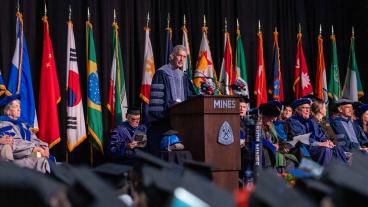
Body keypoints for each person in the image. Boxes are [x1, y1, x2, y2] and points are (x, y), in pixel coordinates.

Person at [148, 45, 196, 156]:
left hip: (180, 124)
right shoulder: (162, 73)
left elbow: (192, 98)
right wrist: (166, 113)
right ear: (172, 56)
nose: (181, 59)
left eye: (184, 57)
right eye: (179, 55)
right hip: (163, 124)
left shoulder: (184, 77)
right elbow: (156, 103)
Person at [287, 98, 347, 166]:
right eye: (304, 108)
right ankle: (325, 174)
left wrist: (327, 142)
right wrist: (320, 144)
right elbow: (300, 139)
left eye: (309, 108)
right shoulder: (293, 121)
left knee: (336, 148)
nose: (307, 110)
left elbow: (319, 134)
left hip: (312, 146)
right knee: (325, 150)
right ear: (296, 110)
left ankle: (344, 171)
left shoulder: (310, 120)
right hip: (301, 149)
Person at [0, 95, 50, 173]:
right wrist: (33, 148)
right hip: (16, 157)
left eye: (19, 107)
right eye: (16, 106)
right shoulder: (4, 124)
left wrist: (43, 147)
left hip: (28, 154)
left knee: (43, 157)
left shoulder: (23, 125)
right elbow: (14, 142)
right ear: (8, 111)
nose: (19, 109)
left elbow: (34, 139)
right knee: (41, 161)